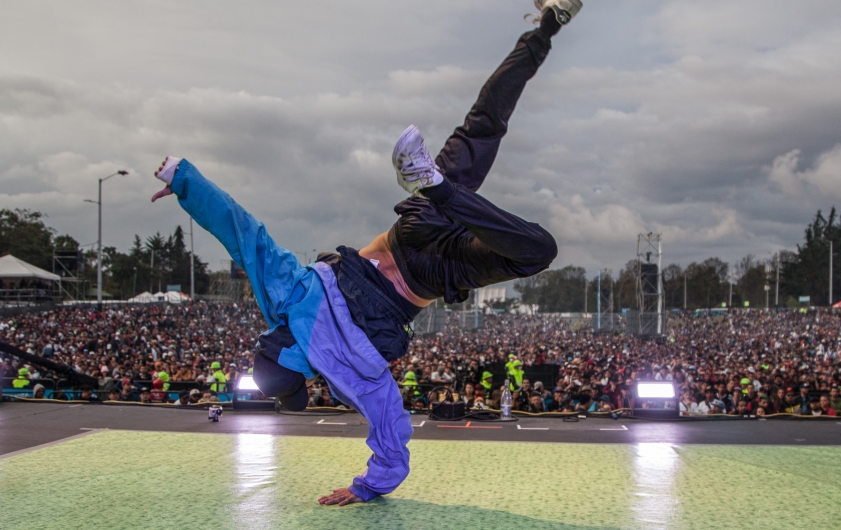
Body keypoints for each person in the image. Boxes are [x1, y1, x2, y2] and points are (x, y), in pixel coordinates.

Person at [149, 1, 580, 506]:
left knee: (538, 250)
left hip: (433, 276)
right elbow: (242, 231)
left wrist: (368, 487)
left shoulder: (347, 375)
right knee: (484, 125)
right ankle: (541, 36)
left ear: (298, 369)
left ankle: (440, 185)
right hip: (417, 230)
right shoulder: (284, 298)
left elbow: (391, 426)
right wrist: (184, 179)